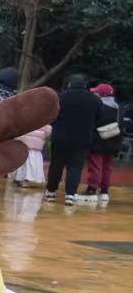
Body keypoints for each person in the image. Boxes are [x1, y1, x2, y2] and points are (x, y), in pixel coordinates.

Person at [46, 73, 101, 206]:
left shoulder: (61, 97)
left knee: (56, 165)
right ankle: (70, 195)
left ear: (70, 84)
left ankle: (51, 192)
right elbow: (98, 119)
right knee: (75, 166)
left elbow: (52, 116)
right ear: (85, 85)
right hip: (83, 139)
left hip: (61, 137)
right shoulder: (94, 100)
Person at [82, 82, 121, 205]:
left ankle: (92, 190)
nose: (95, 94)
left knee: (95, 166)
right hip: (114, 140)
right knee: (107, 167)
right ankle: (104, 192)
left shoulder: (98, 106)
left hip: (98, 141)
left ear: (102, 95)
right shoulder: (118, 108)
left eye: (97, 93)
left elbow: (92, 123)